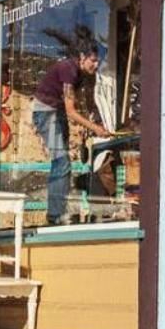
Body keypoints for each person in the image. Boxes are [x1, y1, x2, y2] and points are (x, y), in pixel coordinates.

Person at [30, 36, 112, 224]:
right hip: (45, 112)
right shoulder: (69, 69)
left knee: (61, 163)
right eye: (93, 59)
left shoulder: (84, 75)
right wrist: (95, 128)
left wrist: (96, 123)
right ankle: (55, 215)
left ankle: (57, 211)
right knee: (62, 162)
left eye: (98, 60)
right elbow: (71, 111)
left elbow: (88, 104)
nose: (96, 64)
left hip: (56, 112)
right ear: (82, 57)